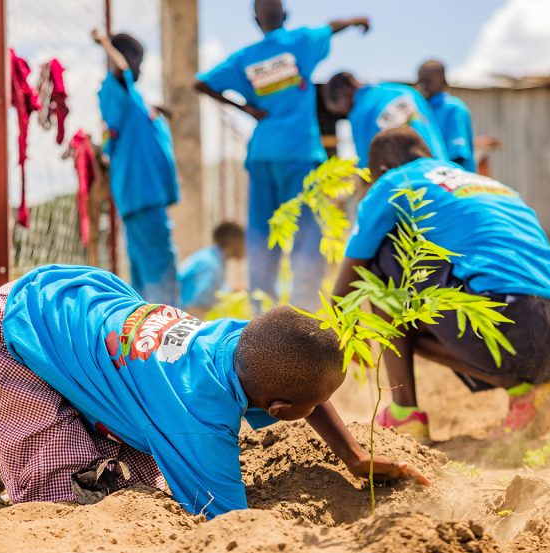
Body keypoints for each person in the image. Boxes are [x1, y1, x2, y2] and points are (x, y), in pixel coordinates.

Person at [0, 265, 428, 519]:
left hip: (74, 295)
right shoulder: (198, 421)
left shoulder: (242, 340)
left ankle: (17, 421)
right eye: (313, 406)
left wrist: (353, 456)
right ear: (279, 410)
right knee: (68, 496)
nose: (320, 408)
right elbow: (228, 520)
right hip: (15, 332)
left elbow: (307, 378)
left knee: (134, 462)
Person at [331, 128, 550, 441]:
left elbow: (342, 292)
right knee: (413, 316)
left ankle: (404, 415)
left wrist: (350, 337)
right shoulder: (489, 184)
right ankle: (529, 392)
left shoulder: (393, 182)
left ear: (382, 171)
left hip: (517, 322)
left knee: (381, 259)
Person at [193, 0, 370, 311]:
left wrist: (245, 108)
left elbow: (201, 83)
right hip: (299, 153)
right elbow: (332, 26)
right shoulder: (299, 42)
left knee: (263, 235)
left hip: (262, 154)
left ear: (255, 20)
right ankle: (304, 314)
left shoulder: (246, 59)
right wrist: (357, 20)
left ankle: (262, 318)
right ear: (285, 15)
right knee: (307, 236)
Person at [93, 29, 179, 304]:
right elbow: (120, 70)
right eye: (138, 60)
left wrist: (157, 110)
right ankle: (173, 330)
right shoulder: (116, 87)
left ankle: (150, 332)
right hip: (143, 196)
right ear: (126, 58)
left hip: (142, 198)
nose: (139, 68)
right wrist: (106, 43)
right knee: (161, 270)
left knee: (146, 273)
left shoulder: (130, 97)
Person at [323, 71, 448, 169]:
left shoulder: (360, 113)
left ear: (341, 94)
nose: (347, 113)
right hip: (447, 174)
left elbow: (368, 170)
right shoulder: (405, 91)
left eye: (342, 111)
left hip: (414, 189)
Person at [417, 59, 476, 172]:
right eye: (420, 81)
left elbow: (458, 155)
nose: (423, 86)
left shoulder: (453, 109)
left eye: (429, 81)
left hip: (455, 180)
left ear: (444, 82)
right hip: (434, 178)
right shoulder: (422, 111)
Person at [177, 221, 245, 316]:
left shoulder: (213, 259)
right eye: (244, 240)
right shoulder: (210, 265)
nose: (247, 246)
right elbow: (195, 307)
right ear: (234, 241)